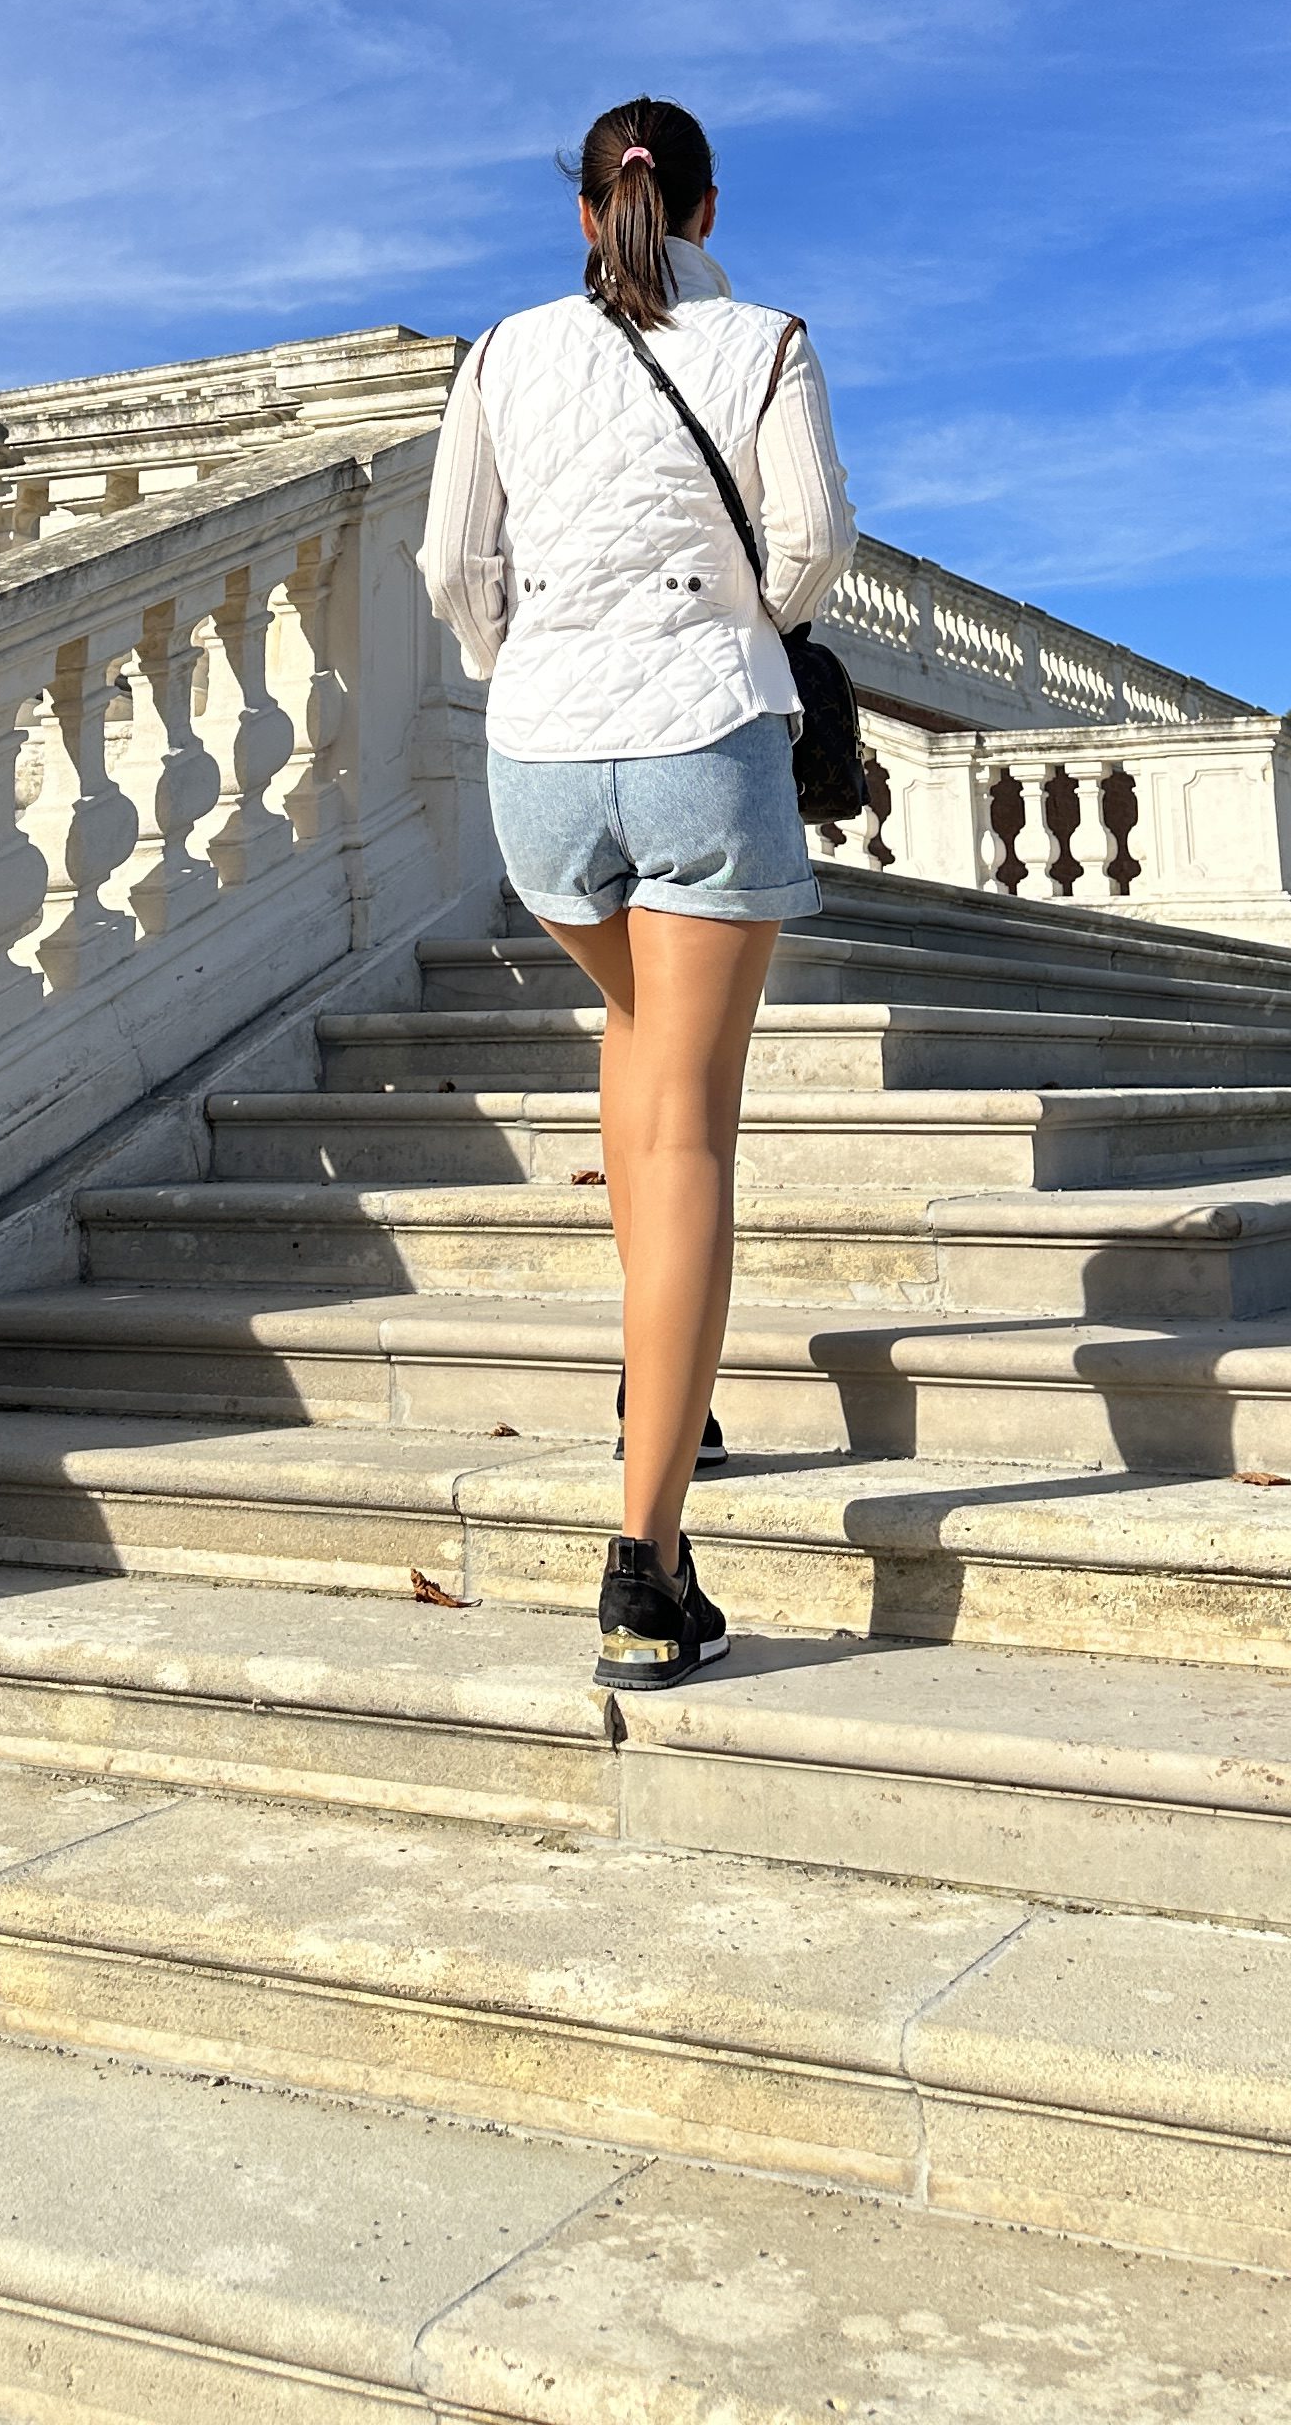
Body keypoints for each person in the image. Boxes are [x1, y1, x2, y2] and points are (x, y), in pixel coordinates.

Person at [417, 94, 857, 1687]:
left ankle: (657, 1386)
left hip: (537, 757)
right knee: (689, 1125)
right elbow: (811, 540)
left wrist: (519, 666)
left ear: (585, 208)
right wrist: (752, 629)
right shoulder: (765, 341)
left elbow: (454, 570)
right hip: (697, 729)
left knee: (632, 1043)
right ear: (707, 208)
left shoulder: (503, 350)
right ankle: (646, 1565)